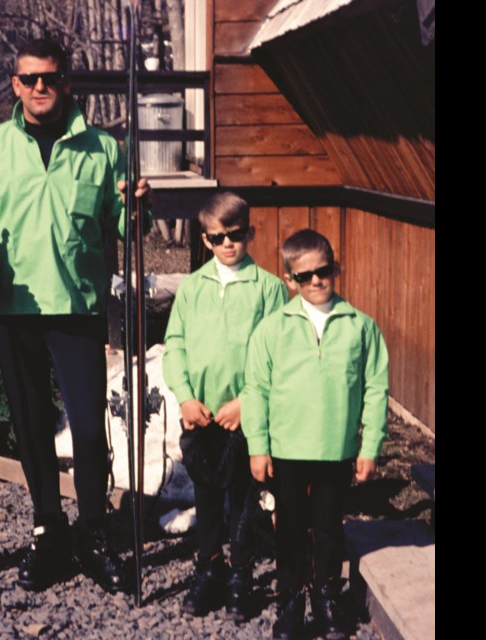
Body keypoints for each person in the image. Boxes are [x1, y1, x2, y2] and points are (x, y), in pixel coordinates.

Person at [0, 37, 150, 594]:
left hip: (78, 307)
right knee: (33, 427)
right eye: (30, 78)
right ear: (15, 84)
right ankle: (49, 530)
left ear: (67, 83)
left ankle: (93, 532)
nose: (40, 87)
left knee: (86, 428)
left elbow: (129, 228)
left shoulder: (104, 148)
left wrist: (138, 207)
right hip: (13, 307)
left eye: (51, 78)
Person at [240, 229, 389, 639]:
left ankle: (325, 595)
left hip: (335, 448)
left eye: (324, 271)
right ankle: (290, 599)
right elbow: (256, 390)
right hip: (287, 448)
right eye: (304, 276)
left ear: (335, 268)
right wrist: (258, 446)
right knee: (287, 527)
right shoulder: (272, 330)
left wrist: (369, 446)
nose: (317, 281)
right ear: (289, 280)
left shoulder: (361, 327)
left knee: (328, 528)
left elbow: (376, 389)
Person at [162, 192, 287, 621]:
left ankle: (241, 575)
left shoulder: (269, 289)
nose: (227, 244)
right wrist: (184, 396)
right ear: (206, 239)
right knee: (208, 496)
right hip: (201, 414)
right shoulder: (193, 288)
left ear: (249, 233)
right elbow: (174, 344)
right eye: (218, 237)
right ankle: (210, 568)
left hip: (244, 417)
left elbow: (278, 357)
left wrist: (247, 402)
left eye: (236, 235)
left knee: (244, 498)